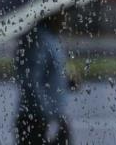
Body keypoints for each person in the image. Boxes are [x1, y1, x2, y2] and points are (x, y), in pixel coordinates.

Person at [14, 16, 71, 145]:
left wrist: (67, 80)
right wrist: (47, 116)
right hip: (37, 120)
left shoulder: (52, 39)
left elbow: (49, 76)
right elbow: (30, 81)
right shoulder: (37, 39)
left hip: (53, 117)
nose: (65, 19)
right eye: (61, 14)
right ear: (51, 15)